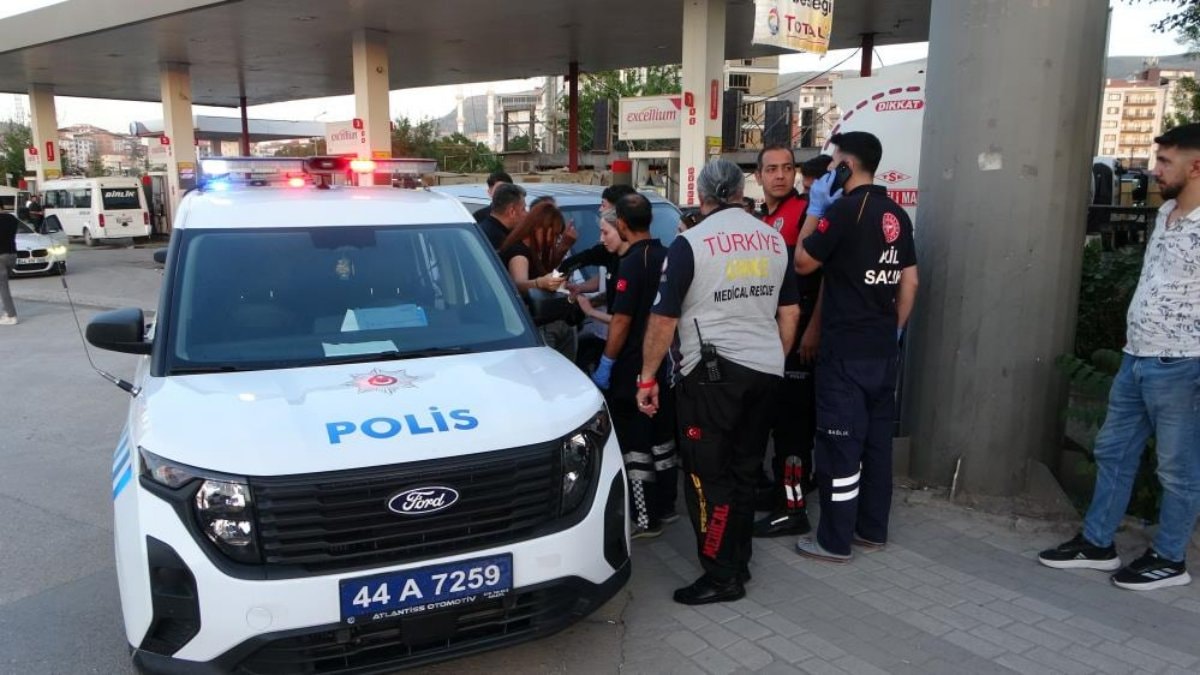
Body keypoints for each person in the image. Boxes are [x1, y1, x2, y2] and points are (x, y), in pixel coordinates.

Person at [1039, 123, 1200, 591]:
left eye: (1165, 162)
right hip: (1136, 358)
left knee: (1177, 468)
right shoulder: (1167, 212)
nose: (1154, 171)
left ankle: (1170, 559)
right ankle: (1097, 543)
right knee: (1113, 451)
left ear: (1196, 166)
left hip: (1183, 364)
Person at [637, 159, 800, 605]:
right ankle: (737, 561)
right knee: (745, 471)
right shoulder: (773, 239)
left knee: (707, 477)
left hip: (711, 377)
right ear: (741, 191)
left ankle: (721, 575)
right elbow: (790, 312)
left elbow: (663, 318)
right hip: (764, 371)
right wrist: (774, 357)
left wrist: (647, 378)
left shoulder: (690, 244)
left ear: (703, 194)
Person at [792, 131, 919, 563]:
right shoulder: (896, 213)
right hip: (883, 350)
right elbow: (910, 282)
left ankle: (833, 540)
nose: (829, 169)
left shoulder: (845, 210)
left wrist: (815, 210)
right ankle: (871, 530)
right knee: (877, 447)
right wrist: (891, 330)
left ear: (847, 164)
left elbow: (803, 262)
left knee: (840, 448)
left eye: (833, 162)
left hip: (845, 352)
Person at [752, 148, 833, 538]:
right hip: (774, 337)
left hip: (801, 338)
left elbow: (826, 275)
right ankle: (785, 492)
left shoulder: (805, 212)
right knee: (781, 423)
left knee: (793, 427)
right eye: (771, 169)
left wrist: (813, 329)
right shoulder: (765, 217)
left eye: (787, 168)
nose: (780, 176)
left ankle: (793, 509)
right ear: (758, 176)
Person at [590, 195, 678, 539]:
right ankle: (667, 506)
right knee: (662, 439)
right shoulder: (667, 254)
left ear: (623, 224)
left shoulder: (631, 262)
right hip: (665, 363)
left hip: (633, 367)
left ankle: (644, 517)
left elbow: (621, 320)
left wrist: (607, 362)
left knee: (634, 444)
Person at [499, 201, 574, 359]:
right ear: (539, 228)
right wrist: (540, 283)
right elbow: (518, 285)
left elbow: (546, 270)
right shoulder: (519, 252)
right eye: (554, 235)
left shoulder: (533, 250)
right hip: (536, 327)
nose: (554, 240)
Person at [478, 182, 527, 251]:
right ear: (512, 212)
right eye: (523, 209)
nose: (526, 214)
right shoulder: (502, 242)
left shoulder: (480, 230)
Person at [0, 212, 18, 325]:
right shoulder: (12, 218)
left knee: (3, 287)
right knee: (3, 285)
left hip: (1, 257)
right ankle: (7, 311)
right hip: (12, 255)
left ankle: (11, 316)